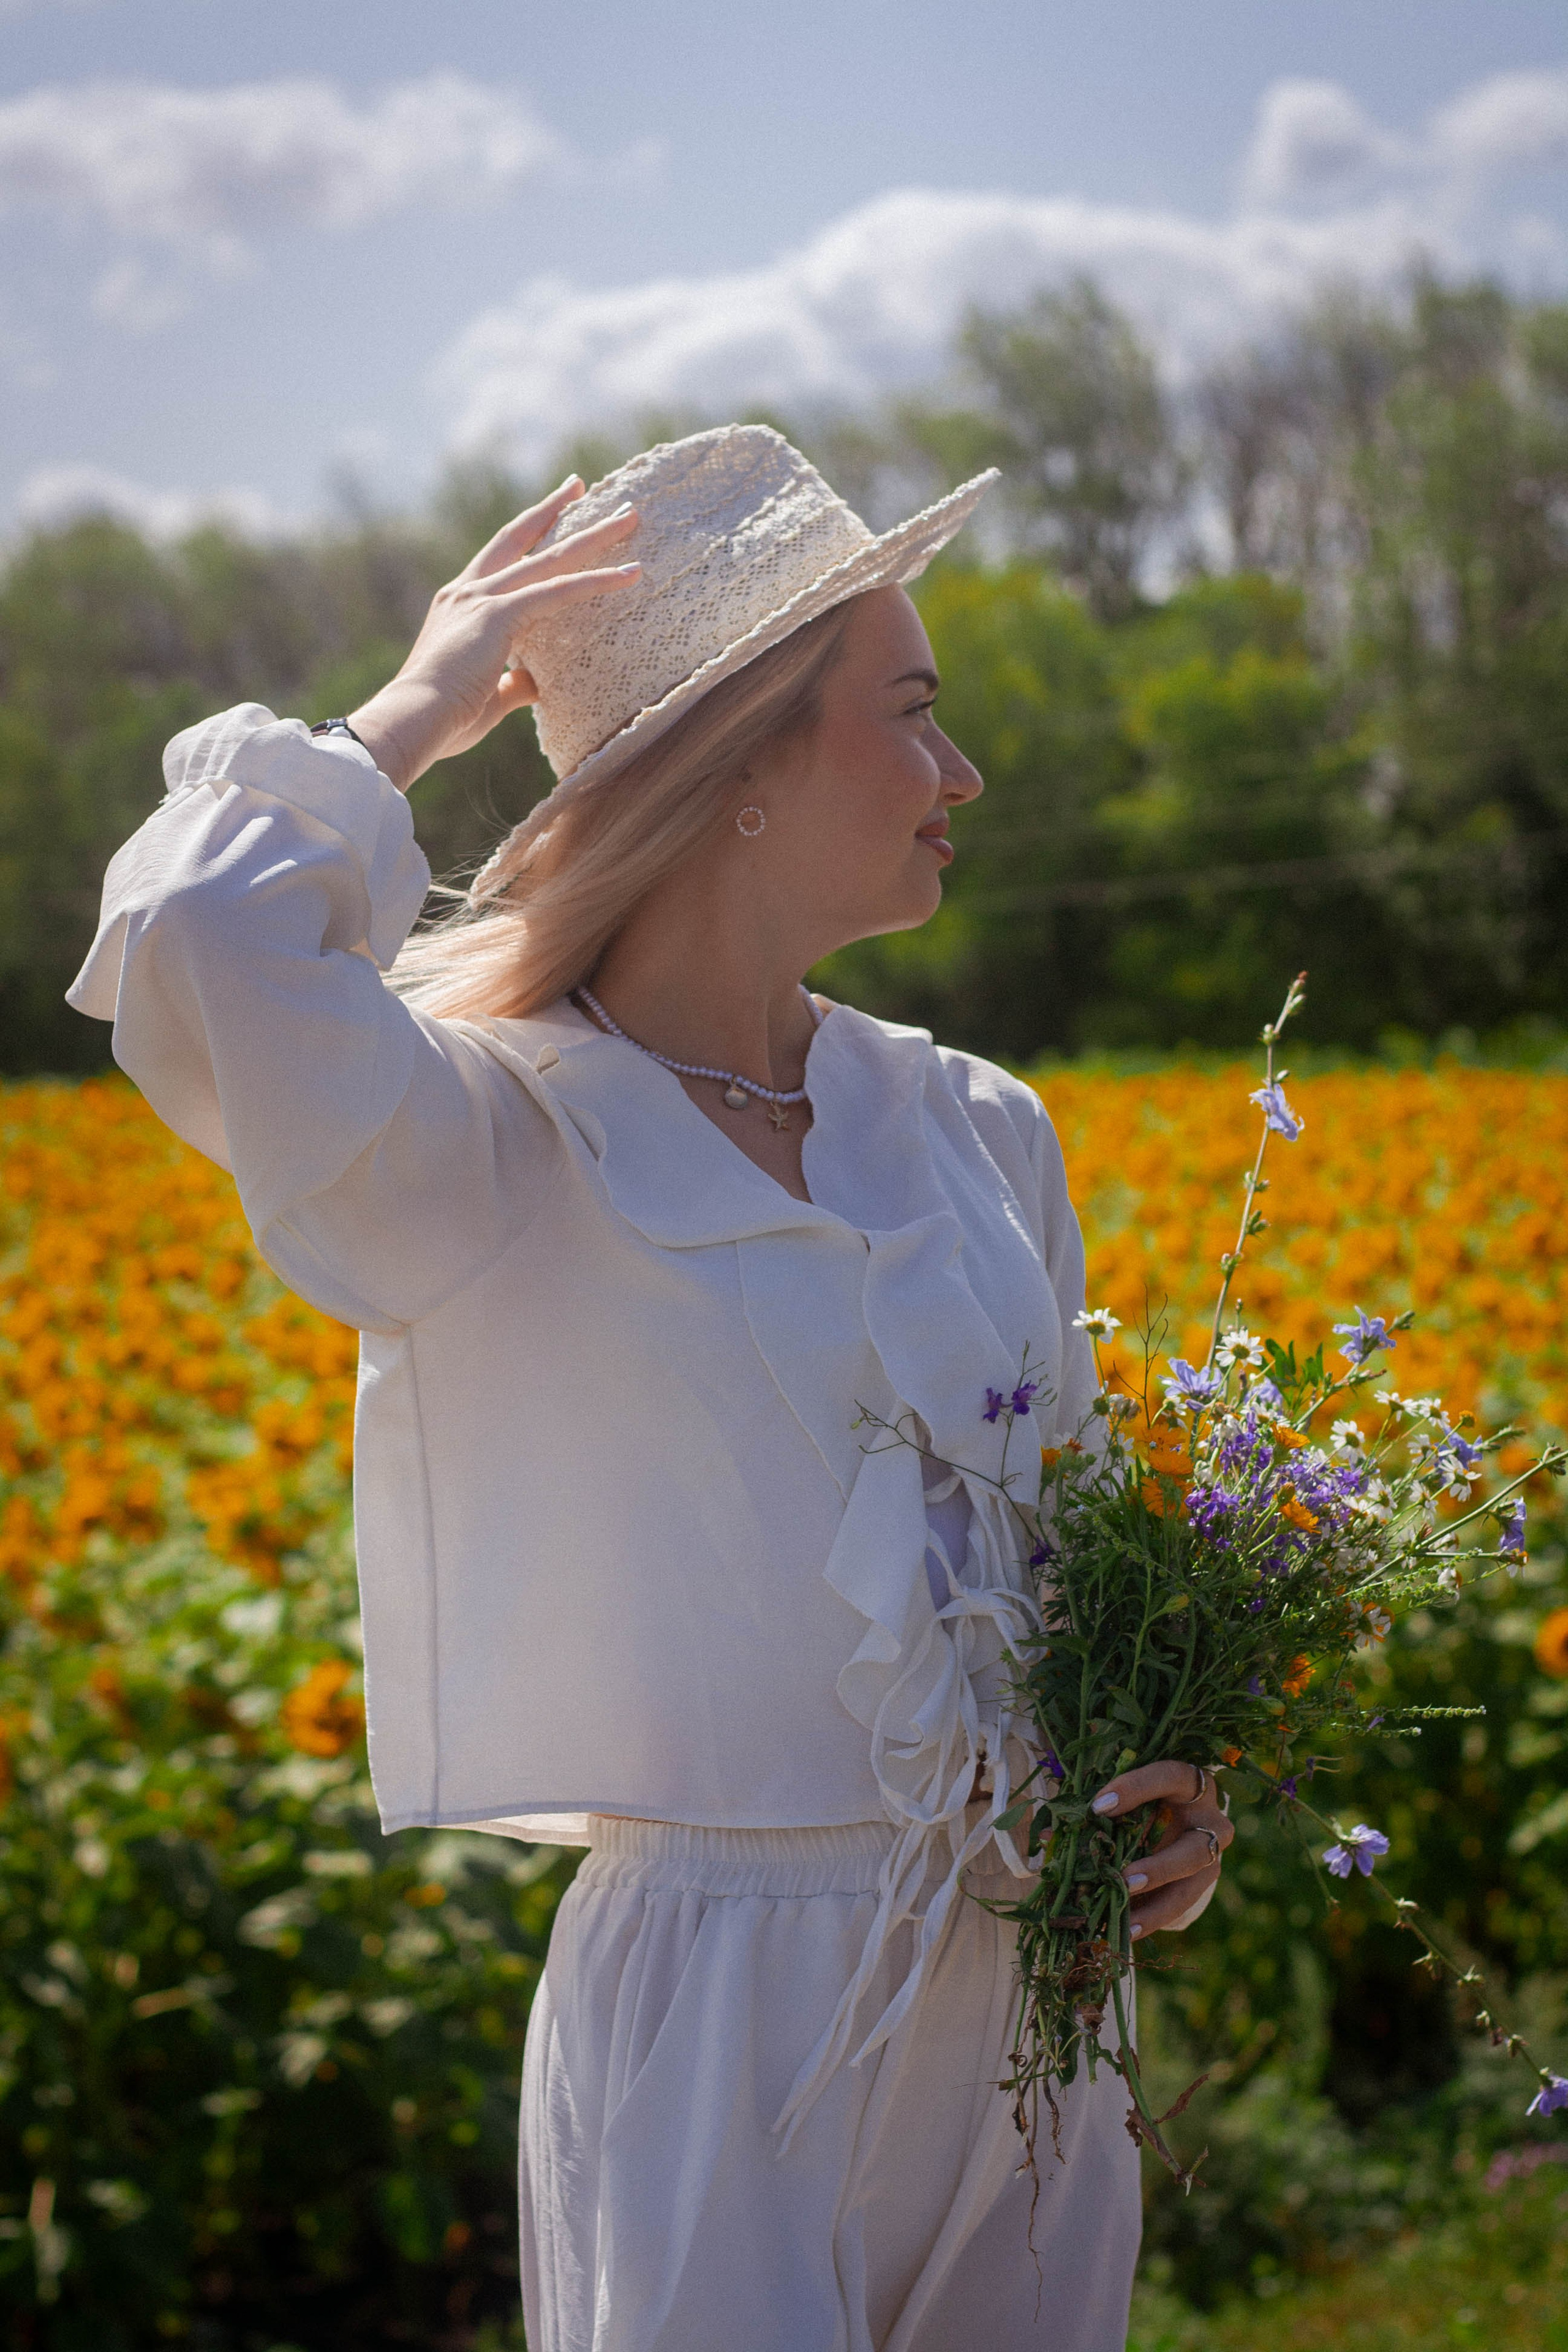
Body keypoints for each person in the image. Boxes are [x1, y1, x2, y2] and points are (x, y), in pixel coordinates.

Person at [70, 426, 1234, 2351]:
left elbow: (1067, 1566)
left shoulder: (976, 1127)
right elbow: (202, 935)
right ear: (743, 759)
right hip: (718, 2023)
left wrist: (1157, 1792)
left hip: (1032, 1980)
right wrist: (427, 699)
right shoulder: (488, 1140)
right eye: (913, 714)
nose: (960, 772)